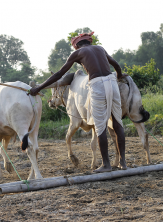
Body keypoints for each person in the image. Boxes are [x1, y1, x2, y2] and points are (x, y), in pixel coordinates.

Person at [29, 32, 127, 173]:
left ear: (76, 46)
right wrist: (119, 76)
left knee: (100, 127)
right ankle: (123, 162)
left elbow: (58, 74)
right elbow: (116, 65)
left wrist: (38, 87)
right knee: (117, 123)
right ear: (89, 42)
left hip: (97, 84)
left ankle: (106, 164)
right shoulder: (100, 48)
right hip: (112, 82)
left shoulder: (77, 54)